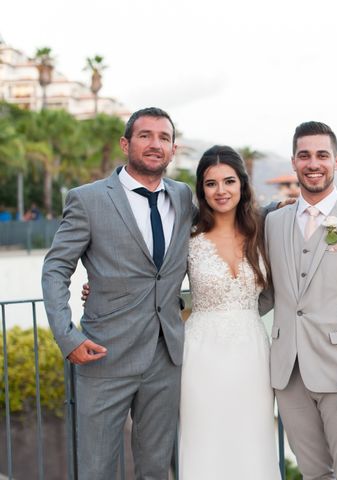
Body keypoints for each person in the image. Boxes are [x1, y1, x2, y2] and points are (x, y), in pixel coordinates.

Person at [42, 107, 194, 479]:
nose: (155, 144)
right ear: (126, 143)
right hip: (103, 355)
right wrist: (67, 336)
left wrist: (279, 209)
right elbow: (56, 268)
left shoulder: (185, 197)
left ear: (173, 149)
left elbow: (231, 214)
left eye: (164, 137)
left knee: (157, 468)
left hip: (165, 356)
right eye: (145, 136)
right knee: (96, 469)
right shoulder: (87, 199)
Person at [261, 121, 337, 479]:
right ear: (294, 162)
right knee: (313, 473)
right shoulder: (274, 222)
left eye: (322, 155)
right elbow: (268, 291)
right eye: (304, 155)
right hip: (288, 373)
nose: (313, 163)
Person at [178, 145, 280, 478]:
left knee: (253, 442)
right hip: (201, 355)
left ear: (242, 185)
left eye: (229, 181)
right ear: (201, 189)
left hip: (252, 354)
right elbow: (156, 285)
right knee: (205, 442)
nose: (221, 191)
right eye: (211, 183)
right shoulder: (188, 236)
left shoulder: (261, 231)